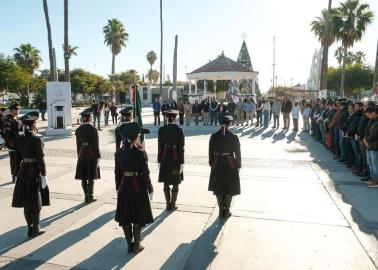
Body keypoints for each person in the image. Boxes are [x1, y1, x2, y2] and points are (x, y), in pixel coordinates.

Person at [115, 122, 153, 254]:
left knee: (125, 216)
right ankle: (137, 245)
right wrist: (150, 189)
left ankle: (129, 245)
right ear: (135, 138)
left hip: (124, 187)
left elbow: (117, 173)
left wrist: (117, 187)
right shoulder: (140, 153)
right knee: (137, 215)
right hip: (138, 188)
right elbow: (145, 173)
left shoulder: (119, 153)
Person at [12, 111, 50, 238]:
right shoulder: (36, 139)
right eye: (35, 123)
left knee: (26, 202)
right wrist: (44, 174)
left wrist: (17, 174)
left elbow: (16, 160)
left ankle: (30, 228)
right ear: (32, 124)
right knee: (36, 202)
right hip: (33, 171)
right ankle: (36, 228)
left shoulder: (19, 140)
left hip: (23, 172)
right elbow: (41, 159)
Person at [208, 114, 241, 218]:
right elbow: (238, 153)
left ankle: (220, 211)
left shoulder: (213, 136)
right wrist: (238, 165)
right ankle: (226, 210)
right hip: (230, 163)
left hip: (217, 163)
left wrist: (212, 163)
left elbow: (210, 152)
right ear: (230, 124)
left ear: (219, 124)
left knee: (218, 186)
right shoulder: (234, 137)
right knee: (229, 186)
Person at [158, 110, 185, 211]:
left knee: (166, 181)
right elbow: (181, 148)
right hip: (175, 158)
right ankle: (173, 204)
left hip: (165, 158)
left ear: (167, 118)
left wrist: (159, 160)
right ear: (175, 118)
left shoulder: (161, 129)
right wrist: (182, 162)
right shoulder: (179, 130)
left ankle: (167, 204)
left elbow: (160, 147)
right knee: (175, 181)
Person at [75, 108, 101, 203]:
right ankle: (90, 196)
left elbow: (78, 145)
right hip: (91, 154)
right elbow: (96, 144)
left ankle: (86, 196)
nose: (91, 118)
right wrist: (98, 156)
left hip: (82, 154)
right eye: (90, 117)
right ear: (89, 118)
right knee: (90, 177)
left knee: (83, 177)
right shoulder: (93, 129)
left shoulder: (78, 130)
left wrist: (79, 155)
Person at [4, 103, 22, 183]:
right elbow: (6, 132)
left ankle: (18, 174)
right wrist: (10, 142)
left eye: (18, 109)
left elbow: (21, 129)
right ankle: (14, 175)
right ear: (12, 110)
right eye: (16, 109)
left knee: (19, 159)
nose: (18, 110)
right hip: (12, 142)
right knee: (14, 160)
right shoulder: (8, 119)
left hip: (19, 141)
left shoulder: (18, 119)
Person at [363, 106, 378, 187]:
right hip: (369, 145)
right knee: (370, 163)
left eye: (368, 115)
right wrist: (365, 139)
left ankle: (376, 181)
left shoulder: (376, 122)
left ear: (373, 113)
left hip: (374, 146)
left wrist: (366, 140)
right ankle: (372, 178)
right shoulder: (370, 121)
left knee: (375, 164)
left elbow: (375, 135)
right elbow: (367, 131)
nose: (368, 117)